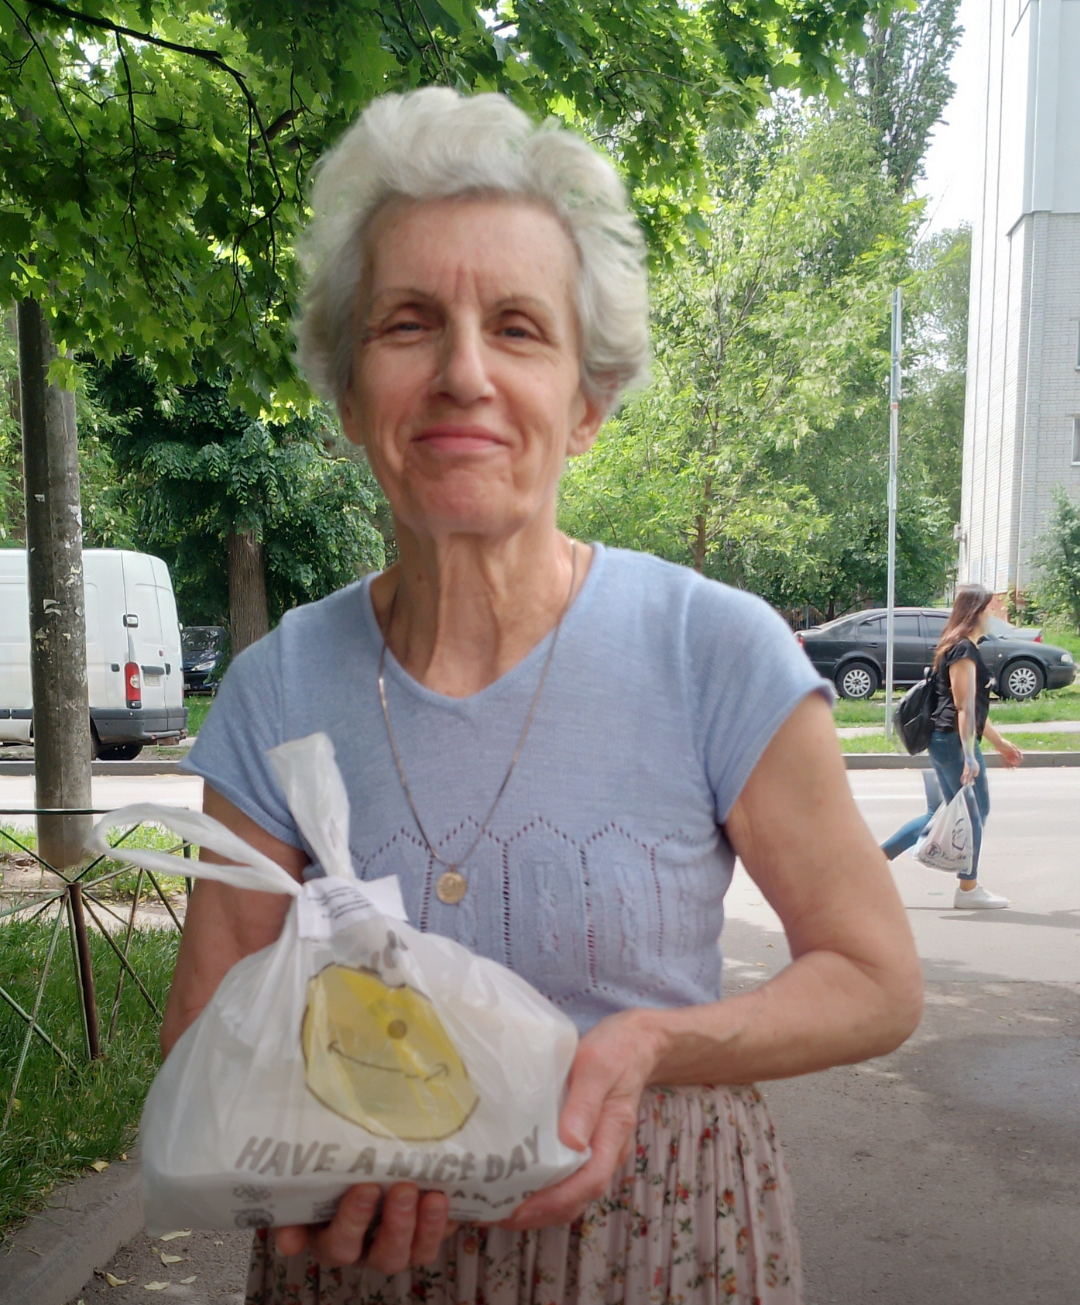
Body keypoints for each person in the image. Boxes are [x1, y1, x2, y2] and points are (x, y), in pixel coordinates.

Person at [164, 89, 922, 1305]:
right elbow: (206, 1033)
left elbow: (874, 981)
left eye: (517, 328)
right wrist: (298, 1165)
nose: (464, 373)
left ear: (586, 403)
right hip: (366, 1264)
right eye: (409, 324)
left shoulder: (712, 649)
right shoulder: (277, 687)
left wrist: (655, 1042)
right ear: (351, 394)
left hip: (663, 1246)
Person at [883, 585, 1022, 907]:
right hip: (952, 743)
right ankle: (968, 890)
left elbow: (973, 709)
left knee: (942, 813)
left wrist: (999, 743)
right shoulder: (963, 650)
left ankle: (874, 860)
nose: (999, 612)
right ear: (977, 612)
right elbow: (963, 708)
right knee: (974, 814)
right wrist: (970, 756)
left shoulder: (962, 646)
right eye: (993, 607)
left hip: (949, 741)